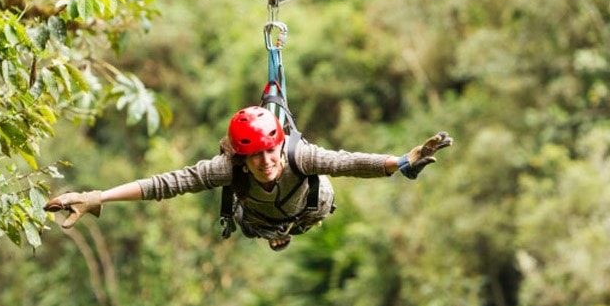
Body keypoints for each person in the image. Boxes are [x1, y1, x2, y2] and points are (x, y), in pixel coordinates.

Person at [44, 106, 452, 251]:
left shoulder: (299, 157)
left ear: (279, 145)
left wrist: (401, 162)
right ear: (242, 156)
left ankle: (288, 228)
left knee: (324, 188)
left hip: (308, 209)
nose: (265, 163)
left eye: (269, 153)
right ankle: (273, 230)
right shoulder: (229, 169)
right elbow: (164, 184)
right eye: (253, 157)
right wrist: (97, 197)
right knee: (246, 219)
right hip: (259, 219)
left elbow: (348, 162)